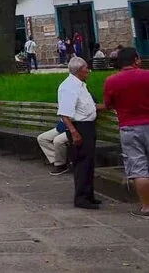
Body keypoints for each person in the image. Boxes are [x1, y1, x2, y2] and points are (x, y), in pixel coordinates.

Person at [103, 47, 149, 218]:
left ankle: (146, 207)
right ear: (135, 60)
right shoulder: (147, 75)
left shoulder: (111, 81)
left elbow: (108, 104)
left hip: (129, 128)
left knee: (139, 168)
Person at [58, 56, 102, 209]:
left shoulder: (81, 85)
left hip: (88, 126)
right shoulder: (69, 87)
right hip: (79, 127)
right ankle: (81, 197)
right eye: (86, 68)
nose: (88, 71)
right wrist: (74, 132)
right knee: (82, 163)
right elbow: (65, 113)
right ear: (79, 70)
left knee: (89, 162)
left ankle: (89, 194)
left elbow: (88, 106)